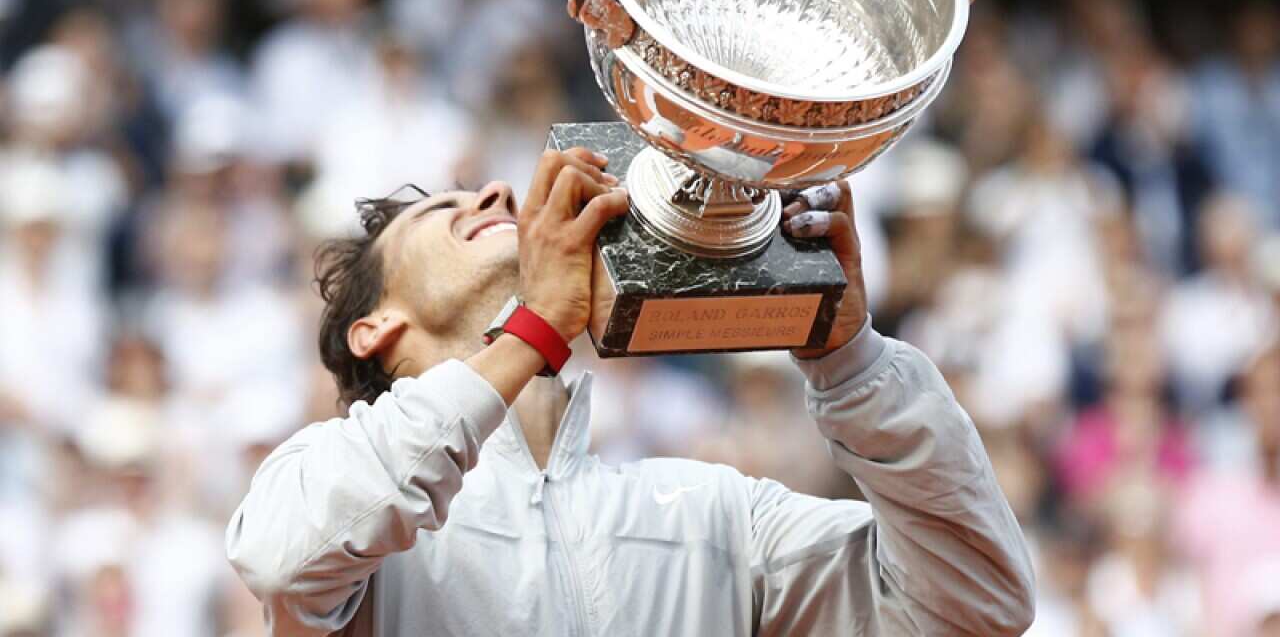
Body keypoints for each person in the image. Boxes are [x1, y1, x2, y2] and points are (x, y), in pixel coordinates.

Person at [226, 148, 1036, 635]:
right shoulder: (335, 503)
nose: (497, 197)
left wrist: (851, 360)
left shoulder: (713, 512)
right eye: (444, 210)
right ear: (376, 329)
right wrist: (535, 329)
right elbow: (281, 560)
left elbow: (977, 604)